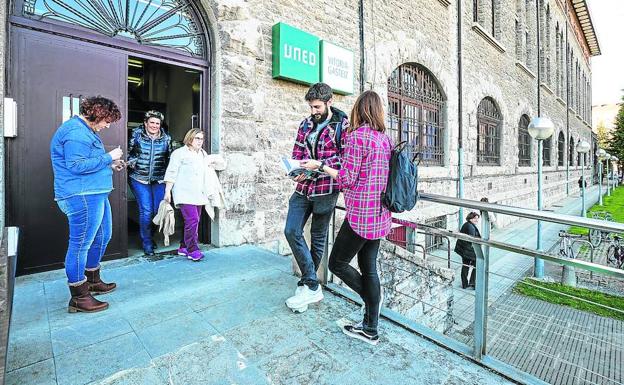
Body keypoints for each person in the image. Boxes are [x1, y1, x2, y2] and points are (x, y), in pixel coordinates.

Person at [301, 90, 392, 345]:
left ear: (358, 110)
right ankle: (370, 327)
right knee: (368, 267)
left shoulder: (357, 137)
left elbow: (347, 178)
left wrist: (320, 166)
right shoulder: (385, 139)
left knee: (336, 264)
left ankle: (372, 302)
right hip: (381, 214)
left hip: (361, 215)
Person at [50, 96, 123, 313]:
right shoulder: (75, 132)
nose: (107, 125)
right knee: (81, 244)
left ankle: (92, 278)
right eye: (107, 120)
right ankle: (79, 296)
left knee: (103, 236)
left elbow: (88, 163)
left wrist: (110, 165)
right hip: (81, 195)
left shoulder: (85, 131)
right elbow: (76, 165)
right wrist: (109, 157)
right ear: (97, 114)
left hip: (95, 193)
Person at [283, 83, 349, 312]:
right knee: (291, 230)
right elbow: (297, 152)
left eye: (317, 106)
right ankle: (312, 284)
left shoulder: (343, 126)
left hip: (326, 189)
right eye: (311, 107)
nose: (313, 111)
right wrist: (296, 170)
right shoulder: (305, 123)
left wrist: (319, 165)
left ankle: (307, 285)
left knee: (318, 238)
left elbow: (345, 161)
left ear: (329, 102)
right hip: (303, 188)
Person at [164, 128, 226, 261]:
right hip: (184, 193)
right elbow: (171, 172)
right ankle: (193, 249)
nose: (200, 141)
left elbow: (216, 167)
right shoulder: (179, 153)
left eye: (202, 139)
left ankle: (183, 247)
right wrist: (167, 191)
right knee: (193, 220)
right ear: (190, 138)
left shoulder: (203, 154)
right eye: (197, 138)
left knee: (191, 221)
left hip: (199, 193)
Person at [127, 110, 172, 255]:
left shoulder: (166, 139)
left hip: (158, 178)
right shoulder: (136, 135)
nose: (154, 125)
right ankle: (146, 242)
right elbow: (128, 152)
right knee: (146, 210)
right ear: (145, 123)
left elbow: (170, 160)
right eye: (151, 122)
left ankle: (150, 237)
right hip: (138, 177)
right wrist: (131, 162)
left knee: (156, 210)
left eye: (157, 123)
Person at [454, 212, 482, 290]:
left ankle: (465, 284)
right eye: (475, 218)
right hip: (468, 250)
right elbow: (472, 239)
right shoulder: (470, 227)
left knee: (466, 265)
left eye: (477, 218)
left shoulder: (468, 224)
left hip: (465, 250)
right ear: (470, 218)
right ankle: (472, 282)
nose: (477, 220)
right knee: (476, 264)